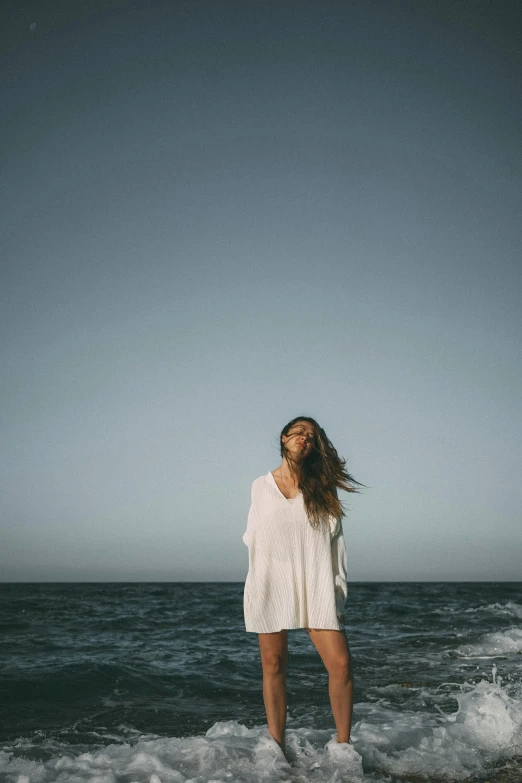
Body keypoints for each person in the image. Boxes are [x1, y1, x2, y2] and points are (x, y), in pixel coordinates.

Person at [242, 416, 362, 757]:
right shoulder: (259, 487)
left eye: (311, 435)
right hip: (271, 582)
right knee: (274, 665)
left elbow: (335, 543)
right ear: (283, 438)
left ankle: (343, 751)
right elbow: (254, 541)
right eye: (298, 431)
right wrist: (255, 591)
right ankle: (277, 750)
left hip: (315, 583)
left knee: (340, 664)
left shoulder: (322, 489)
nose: (304, 438)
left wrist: (337, 591)